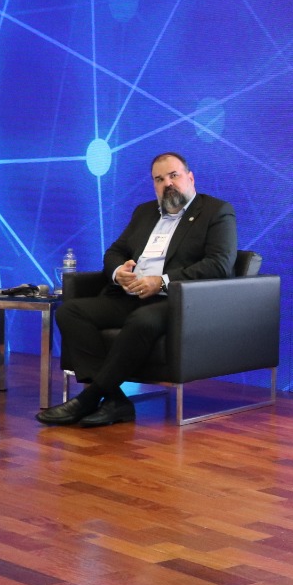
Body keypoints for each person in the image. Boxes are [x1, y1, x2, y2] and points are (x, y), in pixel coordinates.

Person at [37, 152, 237, 428]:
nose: (167, 183)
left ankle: (88, 399)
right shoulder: (144, 212)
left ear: (190, 178)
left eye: (174, 175)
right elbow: (115, 252)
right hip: (130, 294)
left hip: (177, 300)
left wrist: (162, 281)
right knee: (70, 311)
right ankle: (116, 400)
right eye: (159, 179)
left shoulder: (216, 211)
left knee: (142, 320)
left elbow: (219, 264)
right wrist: (119, 272)